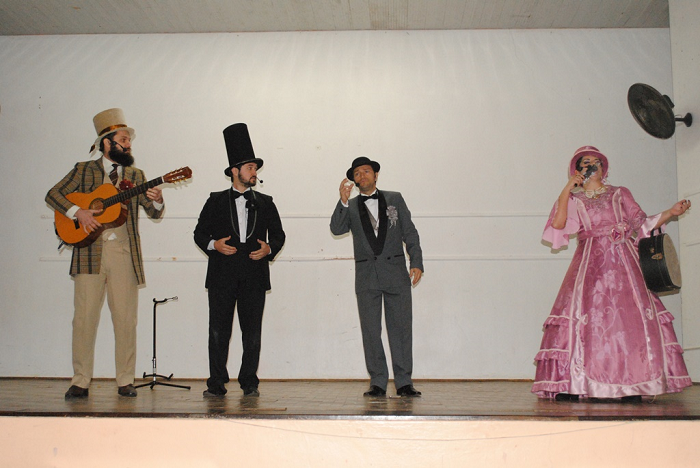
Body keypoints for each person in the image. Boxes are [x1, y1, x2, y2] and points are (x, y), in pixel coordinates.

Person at [532, 146, 692, 402]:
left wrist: (670, 213)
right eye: (586, 162)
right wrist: (568, 188)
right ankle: (575, 383)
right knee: (587, 320)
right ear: (578, 169)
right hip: (588, 266)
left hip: (623, 264)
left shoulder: (619, 193)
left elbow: (641, 223)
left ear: (603, 168)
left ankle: (632, 385)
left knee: (627, 322)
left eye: (596, 161)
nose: (592, 165)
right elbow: (559, 224)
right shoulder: (573, 199)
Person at [46, 108, 164, 399]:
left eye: (129, 140)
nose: (129, 144)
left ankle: (125, 380)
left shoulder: (136, 175)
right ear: (106, 143)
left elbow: (153, 213)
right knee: (84, 320)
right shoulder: (83, 170)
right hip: (89, 253)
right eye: (124, 139)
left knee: (125, 320)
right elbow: (53, 194)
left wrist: (158, 200)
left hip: (124, 253)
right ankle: (80, 380)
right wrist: (79, 212)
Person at [194, 123, 285, 398]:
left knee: (252, 333)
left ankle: (249, 382)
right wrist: (214, 245)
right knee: (218, 332)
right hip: (222, 275)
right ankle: (216, 383)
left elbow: (279, 235)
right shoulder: (215, 201)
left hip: (254, 275)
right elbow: (199, 233)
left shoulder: (266, 202)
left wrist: (269, 249)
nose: (254, 172)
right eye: (250, 168)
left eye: (255, 168)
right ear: (235, 171)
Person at [330, 157, 424, 397]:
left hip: (396, 273)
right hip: (366, 277)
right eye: (357, 173)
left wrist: (416, 262)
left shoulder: (395, 198)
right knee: (370, 331)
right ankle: (378, 382)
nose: (362, 176)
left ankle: (404, 382)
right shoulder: (351, 205)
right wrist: (342, 201)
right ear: (353, 180)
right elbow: (337, 229)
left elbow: (409, 232)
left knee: (401, 329)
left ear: (375, 175)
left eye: (366, 171)